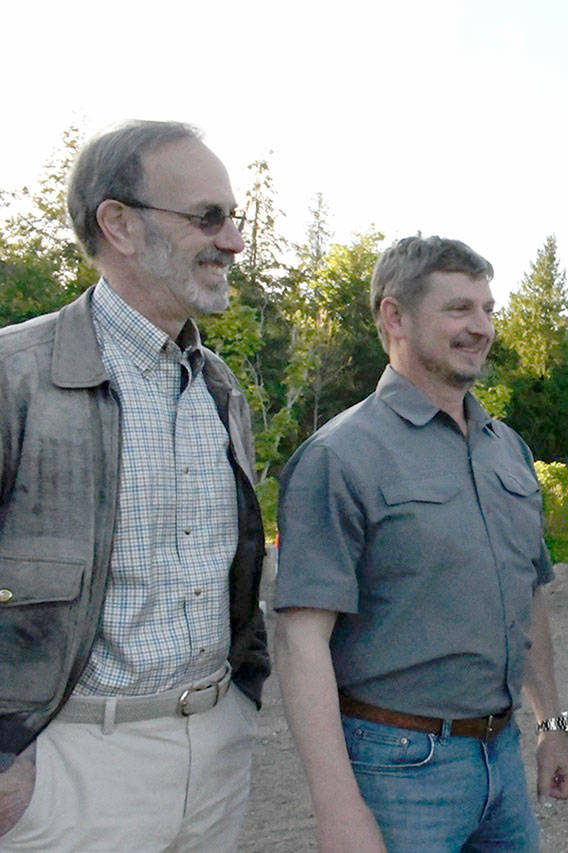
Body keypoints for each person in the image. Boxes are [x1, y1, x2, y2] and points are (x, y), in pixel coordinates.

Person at [0, 120, 269, 850]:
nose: (233, 242)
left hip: (215, 756)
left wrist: (238, 703)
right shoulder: (16, 377)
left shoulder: (219, 387)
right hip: (68, 773)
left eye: (233, 218)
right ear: (118, 224)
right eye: (206, 217)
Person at [273, 235, 568, 851]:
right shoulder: (339, 457)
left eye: (487, 309)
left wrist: (552, 723)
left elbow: (529, 598)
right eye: (459, 309)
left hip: (501, 759)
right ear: (395, 317)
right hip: (397, 769)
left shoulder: (507, 449)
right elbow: (299, 639)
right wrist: (337, 807)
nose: (482, 327)